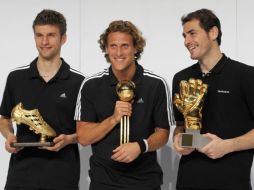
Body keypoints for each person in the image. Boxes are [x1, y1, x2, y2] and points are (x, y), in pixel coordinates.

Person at [75, 20, 174, 190]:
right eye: (113, 46)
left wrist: (140, 146)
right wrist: (113, 119)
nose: (118, 52)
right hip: (103, 182)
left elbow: (163, 134)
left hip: (145, 182)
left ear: (136, 48)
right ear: (106, 49)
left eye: (125, 46)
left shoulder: (156, 84)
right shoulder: (91, 85)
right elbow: (83, 137)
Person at [0, 9, 84, 190]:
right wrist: (9, 135)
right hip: (20, 177)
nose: (44, 42)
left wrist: (69, 139)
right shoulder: (16, 78)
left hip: (62, 177)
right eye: (39, 35)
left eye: (51, 35)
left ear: (63, 38)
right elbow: (4, 118)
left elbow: (89, 130)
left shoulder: (79, 82)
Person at [172, 8, 254, 190]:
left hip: (232, 183)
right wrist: (178, 140)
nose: (186, 41)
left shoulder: (246, 75)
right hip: (187, 181)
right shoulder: (181, 78)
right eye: (184, 36)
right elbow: (180, 126)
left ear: (213, 32)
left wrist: (228, 146)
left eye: (192, 33)